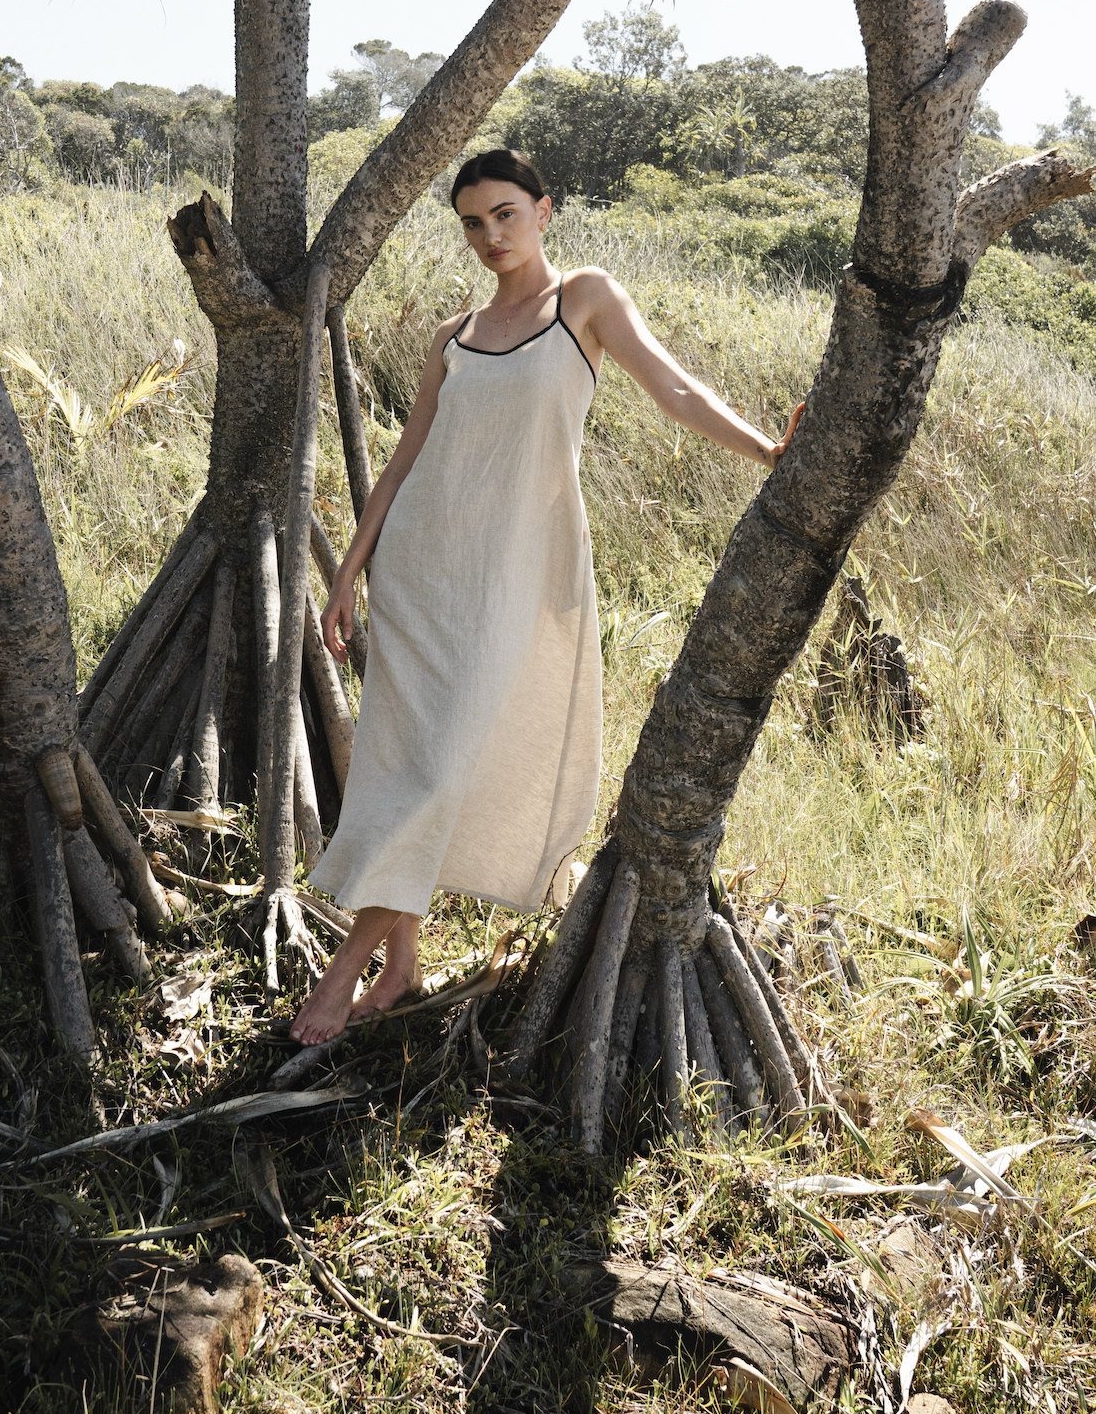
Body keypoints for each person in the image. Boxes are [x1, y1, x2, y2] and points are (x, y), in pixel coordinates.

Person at [290, 149, 802, 1045]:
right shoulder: (452, 336)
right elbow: (405, 458)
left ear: (543, 210)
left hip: (513, 576)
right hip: (420, 573)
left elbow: (672, 387)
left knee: (443, 769)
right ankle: (400, 962)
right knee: (408, 765)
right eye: (474, 222)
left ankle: (341, 977)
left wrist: (767, 451)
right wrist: (345, 575)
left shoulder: (585, 301)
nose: (491, 235)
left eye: (506, 215)